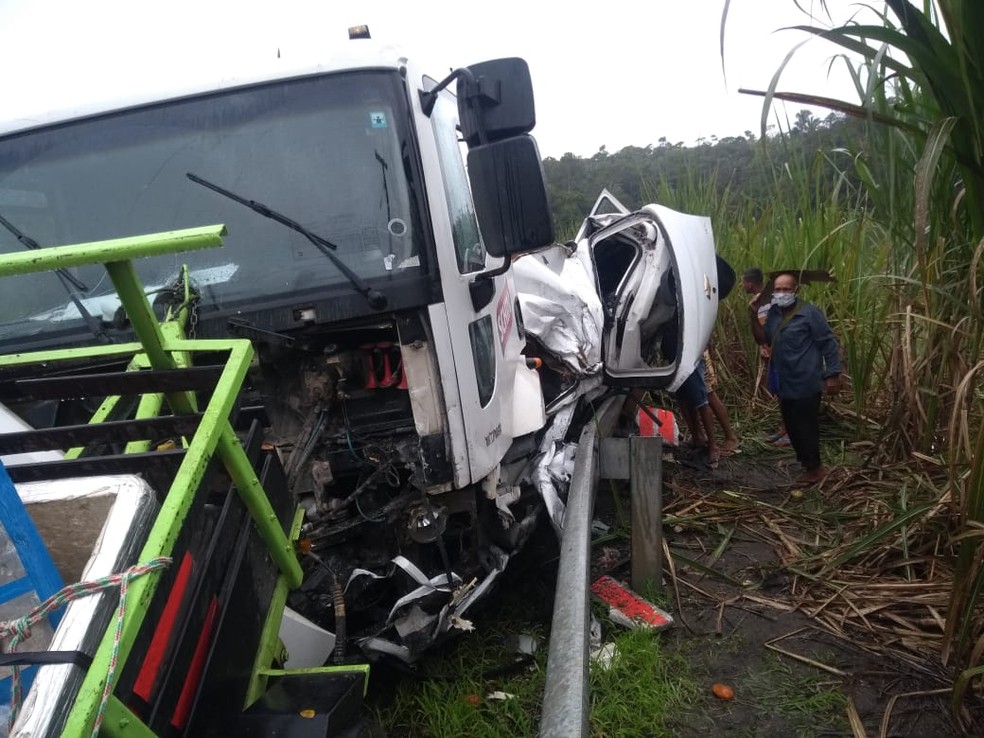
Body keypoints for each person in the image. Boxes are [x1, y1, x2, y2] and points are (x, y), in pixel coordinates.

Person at [749, 272, 842, 486]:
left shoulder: (810, 314)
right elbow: (763, 339)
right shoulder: (774, 313)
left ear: (796, 290)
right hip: (785, 381)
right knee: (791, 426)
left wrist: (833, 375)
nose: (781, 293)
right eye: (778, 289)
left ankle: (816, 469)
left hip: (806, 380)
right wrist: (753, 315)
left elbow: (828, 343)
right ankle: (807, 464)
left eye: (786, 289)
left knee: (805, 426)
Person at [742, 267, 788, 446]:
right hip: (773, 355)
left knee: (786, 392)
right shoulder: (758, 303)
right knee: (778, 390)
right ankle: (783, 428)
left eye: (743, 282)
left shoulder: (772, 302)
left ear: (749, 283)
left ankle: (790, 431)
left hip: (784, 355)